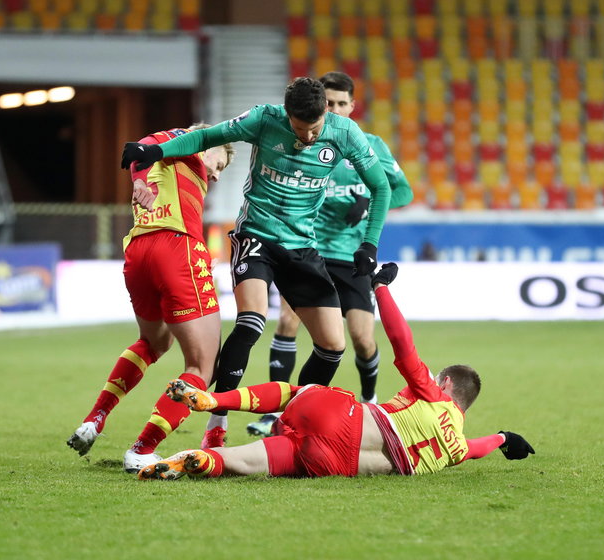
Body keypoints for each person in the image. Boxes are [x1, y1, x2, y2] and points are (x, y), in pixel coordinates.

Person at [120, 77, 392, 466]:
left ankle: (291, 421)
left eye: (316, 128)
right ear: (287, 116)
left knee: (333, 346)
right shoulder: (264, 119)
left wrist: (370, 243)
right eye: (301, 129)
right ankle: (217, 420)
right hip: (257, 237)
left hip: (302, 248)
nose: (310, 136)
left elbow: (381, 187)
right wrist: (155, 151)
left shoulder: (344, 132)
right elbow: (205, 137)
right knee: (252, 322)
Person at [137, 263, 535, 481]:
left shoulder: (432, 393)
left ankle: (216, 400)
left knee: (300, 391)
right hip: (329, 463)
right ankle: (208, 461)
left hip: (339, 419)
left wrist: (380, 289)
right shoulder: (456, 449)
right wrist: (503, 437)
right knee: (247, 461)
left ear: (446, 383)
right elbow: (476, 449)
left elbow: (403, 343)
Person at [249, 72, 413, 437]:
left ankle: (370, 401)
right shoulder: (303, 141)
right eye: (330, 103)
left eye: (342, 103)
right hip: (309, 250)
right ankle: (275, 414)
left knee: (361, 338)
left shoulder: (368, 145)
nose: (335, 109)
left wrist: (366, 208)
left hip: (352, 258)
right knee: (286, 323)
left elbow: (402, 193)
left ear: (352, 106)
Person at [67, 123, 234, 473]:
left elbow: (140, 154)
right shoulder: (187, 144)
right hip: (176, 248)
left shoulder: (168, 164)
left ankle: (95, 418)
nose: (216, 176)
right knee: (203, 365)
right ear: (206, 144)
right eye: (218, 164)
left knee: (153, 342)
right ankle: (143, 449)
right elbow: (139, 146)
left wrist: (141, 179)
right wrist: (140, 180)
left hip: (139, 251)